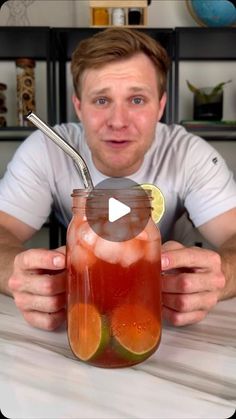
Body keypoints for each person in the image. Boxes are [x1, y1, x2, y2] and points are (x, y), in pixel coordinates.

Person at [0, 27, 236, 331]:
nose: (118, 122)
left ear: (161, 106)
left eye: (137, 99)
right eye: (101, 100)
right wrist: (14, 271)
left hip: (162, 318)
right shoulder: (47, 148)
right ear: (79, 107)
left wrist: (221, 275)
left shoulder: (189, 155)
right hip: (84, 311)